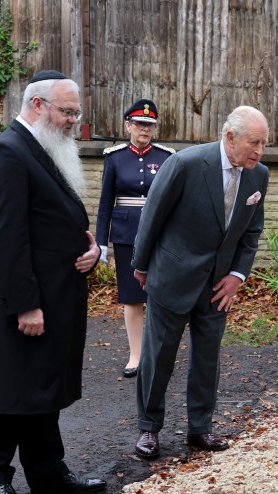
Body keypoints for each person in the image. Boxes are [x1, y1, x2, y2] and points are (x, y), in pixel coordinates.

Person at [0, 69, 107, 494]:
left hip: (54, 294)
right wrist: (26, 304)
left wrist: (91, 250)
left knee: (43, 385)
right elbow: (7, 238)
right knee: (12, 388)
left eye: (76, 113)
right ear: (37, 105)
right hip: (20, 299)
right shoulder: (6, 153)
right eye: (67, 112)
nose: (73, 121)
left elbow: (54, 220)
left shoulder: (42, 148)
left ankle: (47, 472)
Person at [131, 105, 269, 459]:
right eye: (254, 142)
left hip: (218, 286)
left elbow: (251, 233)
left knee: (208, 359)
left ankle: (200, 428)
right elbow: (152, 215)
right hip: (172, 277)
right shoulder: (186, 164)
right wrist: (141, 265)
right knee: (158, 357)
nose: (259, 151)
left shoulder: (259, 176)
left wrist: (237, 275)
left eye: (264, 144)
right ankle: (149, 428)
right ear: (230, 137)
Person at [95, 100, 175, 377]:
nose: (145, 129)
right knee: (132, 296)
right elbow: (105, 203)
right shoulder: (114, 158)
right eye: (140, 124)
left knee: (159, 296)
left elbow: (174, 201)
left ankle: (157, 355)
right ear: (128, 125)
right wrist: (101, 242)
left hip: (159, 235)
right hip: (126, 234)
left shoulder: (166, 157)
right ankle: (136, 355)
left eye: (150, 125)